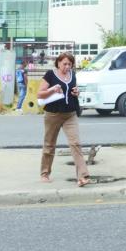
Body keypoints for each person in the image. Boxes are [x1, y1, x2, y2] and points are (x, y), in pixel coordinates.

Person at [36, 51, 90, 186]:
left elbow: (73, 91)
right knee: (49, 144)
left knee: (75, 143)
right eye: (65, 64)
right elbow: (40, 94)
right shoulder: (50, 74)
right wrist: (52, 90)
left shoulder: (72, 75)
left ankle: (83, 176)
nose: (67, 67)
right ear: (58, 63)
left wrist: (76, 93)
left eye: (70, 64)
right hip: (53, 114)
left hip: (69, 114)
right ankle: (45, 173)